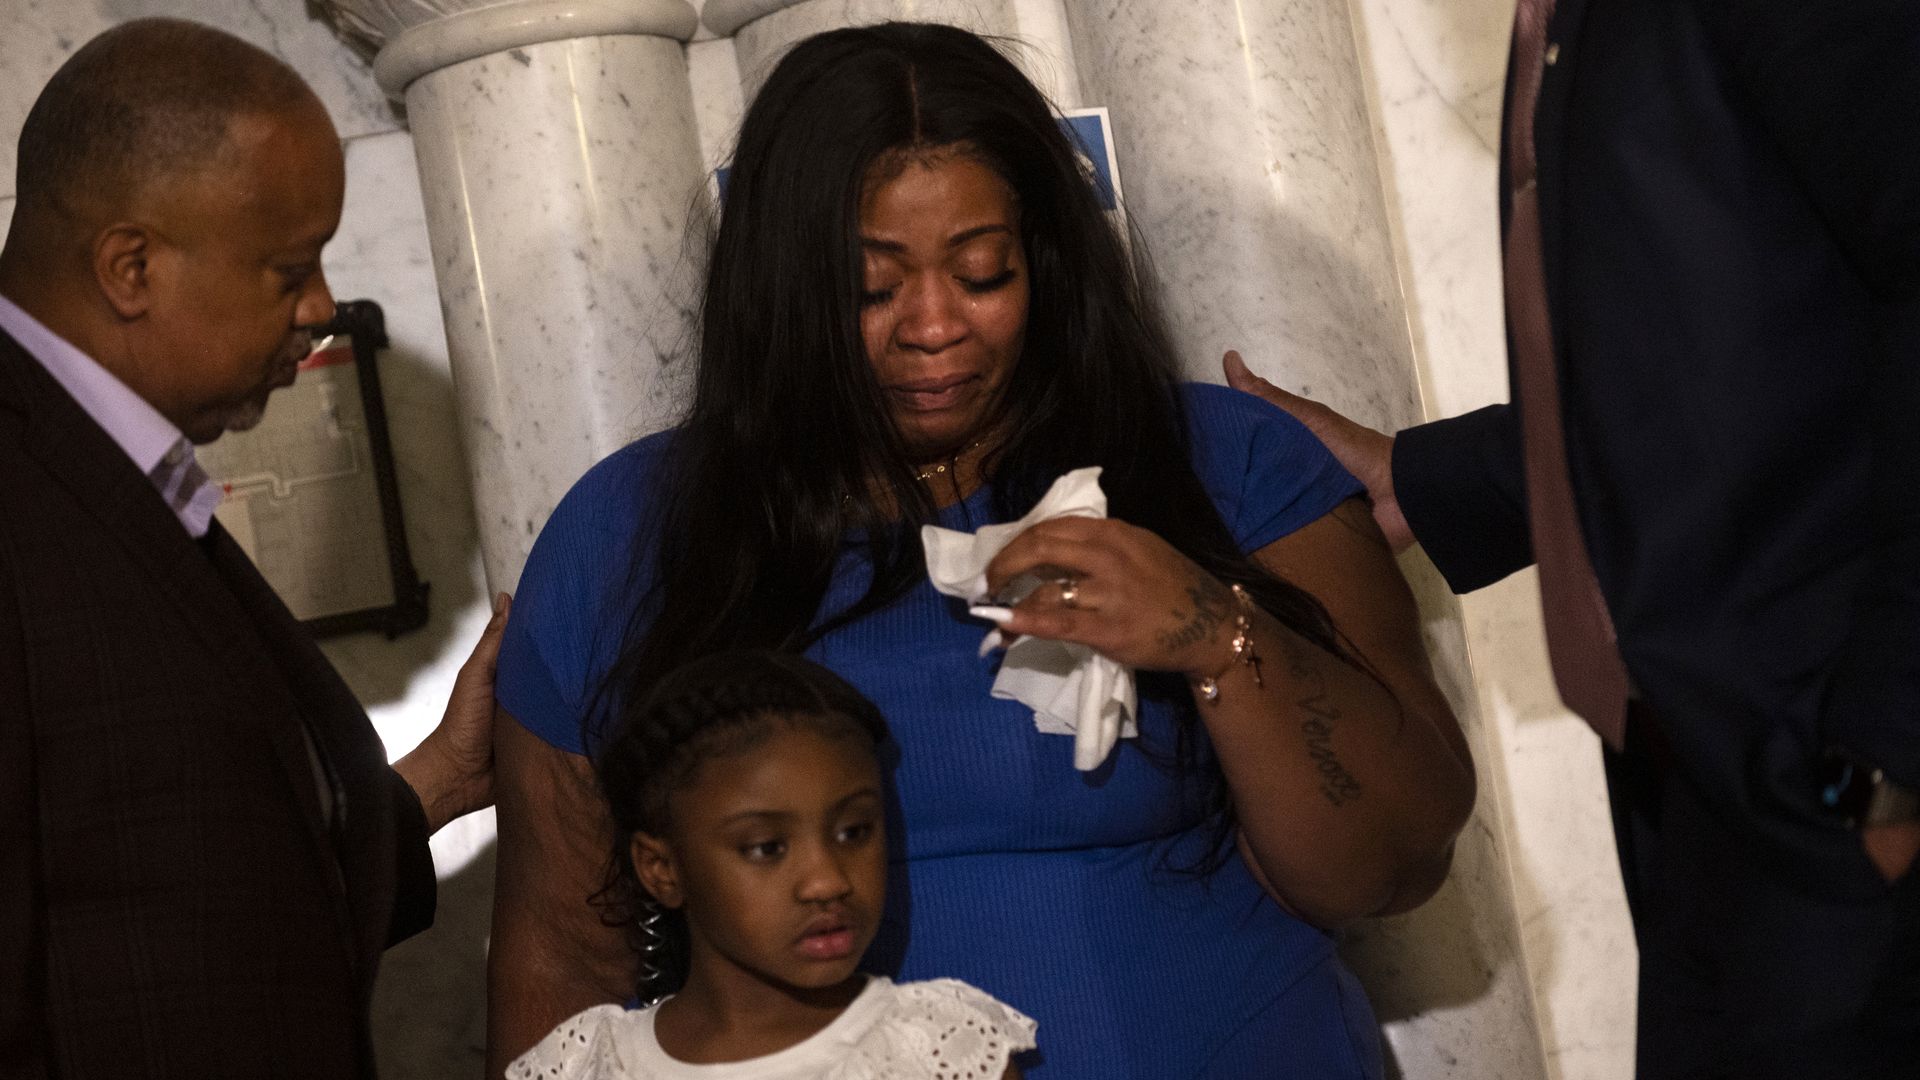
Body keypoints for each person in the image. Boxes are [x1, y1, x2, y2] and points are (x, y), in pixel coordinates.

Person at [489, 22, 1475, 1079]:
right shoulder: (631, 530)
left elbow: (1393, 865)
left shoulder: (1221, 462)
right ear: (780, 288)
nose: (933, 326)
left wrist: (1210, 631)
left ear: (1045, 264)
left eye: (983, 274)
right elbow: (562, 957)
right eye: (871, 289)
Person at [1221, 2, 1920, 1076]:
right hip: (1713, 788)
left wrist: (1885, 769)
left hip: (1834, 787)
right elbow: (1742, 357)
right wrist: (1429, 480)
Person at [0, 19, 504, 1078]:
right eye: (289, 268)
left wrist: (443, 780)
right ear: (132, 266)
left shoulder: (118, 473)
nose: (320, 307)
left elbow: (185, 888)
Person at [508, 650, 1036, 1079]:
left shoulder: (938, 1047)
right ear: (662, 869)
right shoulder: (586, 1064)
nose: (827, 881)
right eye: (766, 848)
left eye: (854, 832)